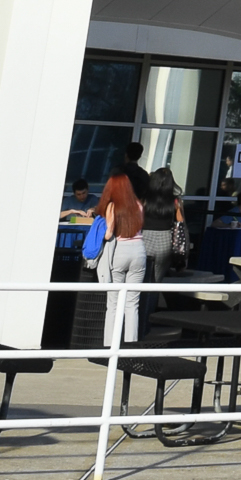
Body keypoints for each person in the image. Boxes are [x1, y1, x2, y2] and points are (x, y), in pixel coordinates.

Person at [94, 145, 150, 340]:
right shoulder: (138, 205)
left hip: (119, 251)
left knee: (114, 303)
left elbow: (109, 234)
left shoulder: (112, 206)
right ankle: (130, 345)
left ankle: (109, 345)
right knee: (132, 303)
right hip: (139, 251)